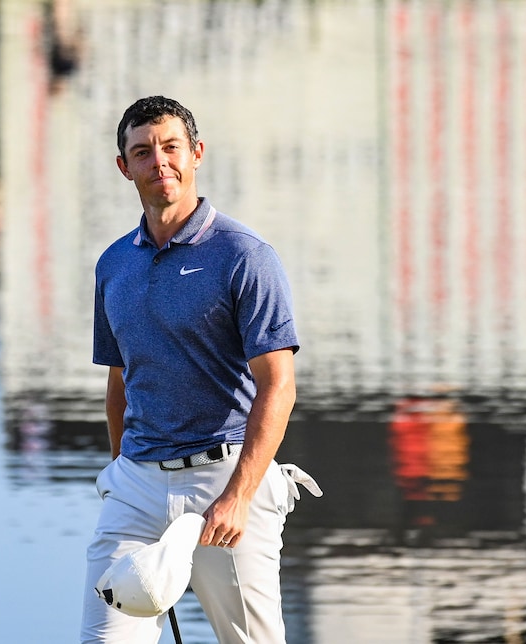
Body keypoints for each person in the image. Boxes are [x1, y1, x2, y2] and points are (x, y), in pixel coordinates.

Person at [81, 95, 309, 643]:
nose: (159, 162)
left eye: (171, 147)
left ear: (196, 154)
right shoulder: (114, 264)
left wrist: (240, 494)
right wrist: (118, 473)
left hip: (223, 479)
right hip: (136, 484)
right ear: (125, 167)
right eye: (142, 151)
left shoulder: (245, 255)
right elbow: (120, 380)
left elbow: (278, 385)